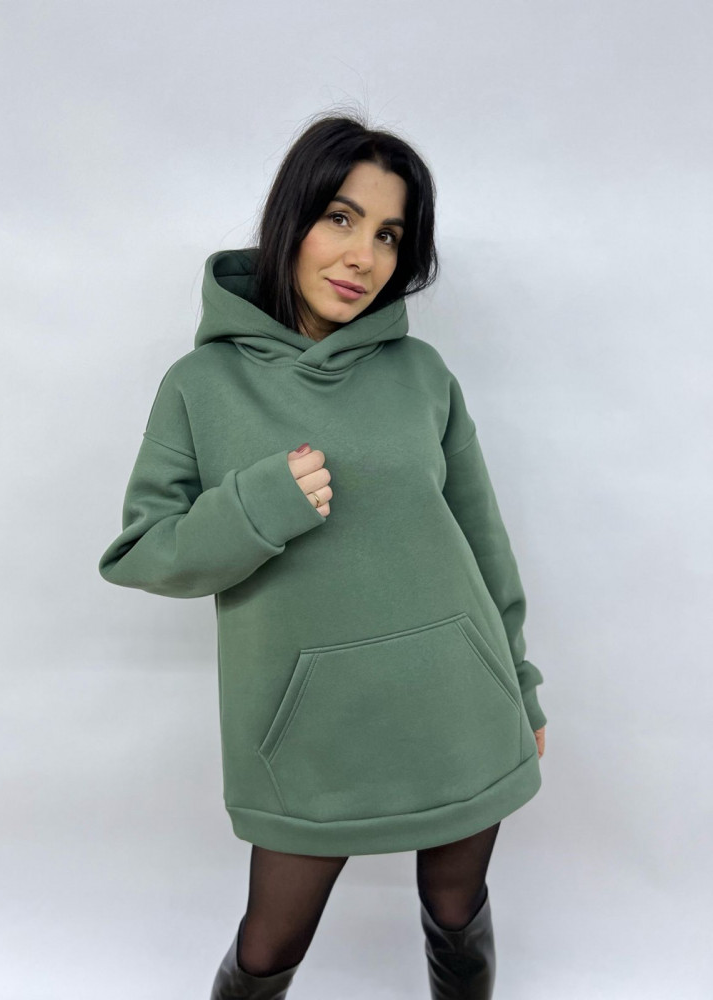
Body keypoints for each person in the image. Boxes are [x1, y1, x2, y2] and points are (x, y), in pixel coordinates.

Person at [98, 109, 548, 1000]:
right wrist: (256, 506)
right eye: (341, 218)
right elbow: (142, 552)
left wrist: (522, 684)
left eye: (388, 235)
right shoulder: (201, 386)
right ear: (292, 220)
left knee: (457, 911)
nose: (363, 256)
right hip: (305, 735)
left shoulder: (422, 376)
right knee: (269, 945)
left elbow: (482, 541)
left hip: (458, 707)